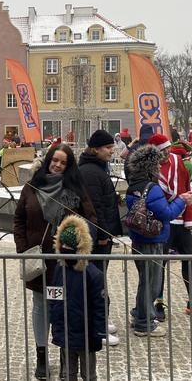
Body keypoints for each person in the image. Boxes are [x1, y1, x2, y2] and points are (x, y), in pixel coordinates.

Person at [14, 143, 97, 380]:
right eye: (55, 160)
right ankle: (42, 357)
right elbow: (19, 219)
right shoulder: (32, 187)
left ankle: (65, 357)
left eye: (63, 162)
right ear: (48, 160)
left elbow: (91, 219)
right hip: (39, 260)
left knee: (62, 309)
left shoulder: (76, 188)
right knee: (40, 307)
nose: (58, 165)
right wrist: (23, 249)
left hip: (65, 263)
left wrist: (80, 242)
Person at [125, 145, 192, 337]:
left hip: (138, 240)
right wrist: (182, 200)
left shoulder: (133, 186)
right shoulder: (152, 189)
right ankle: (144, 323)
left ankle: (140, 314)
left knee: (145, 281)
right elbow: (167, 214)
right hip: (153, 240)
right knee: (152, 284)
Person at [147, 134, 192, 320]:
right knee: (160, 263)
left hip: (181, 219)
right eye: (162, 150)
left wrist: (189, 218)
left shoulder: (178, 162)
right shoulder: (149, 168)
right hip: (163, 221)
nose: (167, 152)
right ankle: (157, 301)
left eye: (168, 148)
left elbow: (185, 189)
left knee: (189, 260)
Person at [78, 130, 122, 346]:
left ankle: (101, 319)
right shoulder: (91, 173)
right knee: (96, 282)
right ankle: (98, 327)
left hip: (101, 236)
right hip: (98, 238)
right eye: (108, 148)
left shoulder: (96, 169)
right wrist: (104, 235)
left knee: (99, 279)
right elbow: (95, 209)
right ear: (95, 149)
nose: (111, 151)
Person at [49, 215, 105, 381]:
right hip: (65, 332)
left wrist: (99, 331)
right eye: (63, 246)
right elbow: (54, 298)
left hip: (86, 334)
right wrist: (55, 322)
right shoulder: (59, 269)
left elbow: (100, 305)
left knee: (88, 373)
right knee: (67, 373)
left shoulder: (93, 275)